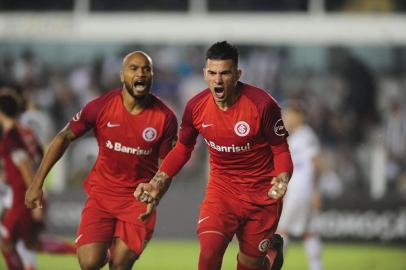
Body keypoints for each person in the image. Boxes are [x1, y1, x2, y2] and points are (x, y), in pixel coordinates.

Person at [135, 41, 294, 270]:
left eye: (225, 73)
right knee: (209, 252)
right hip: (222, 192)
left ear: (237, 74)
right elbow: (182, 149)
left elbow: (280, 150)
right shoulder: (195, 107)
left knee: (249, 265)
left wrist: (282, 178)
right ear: (204, 73)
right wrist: (156, 182)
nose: (217, 80)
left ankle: (269, 256)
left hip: (262, 196)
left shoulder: (262, 105)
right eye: (212, 73)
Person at [25, 51, 178, 270]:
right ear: (121, 75)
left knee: (120, 265)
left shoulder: (165, 118)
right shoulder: (101, 107)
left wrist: (156, 194)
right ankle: (103, 252)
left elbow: (167, 166)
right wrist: (36, 183)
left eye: (146, 69)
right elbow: (64, 136)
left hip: (137, 199)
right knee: (89, 263)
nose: (141, 73)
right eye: (133, 68)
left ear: (152, 75)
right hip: (102, 195)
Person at [0, 94, 76, 270]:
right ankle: (76, 250)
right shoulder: (27, 134)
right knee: (31, 244)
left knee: (7, 242)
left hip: (23, 197)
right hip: (30, 194)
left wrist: (35, 201)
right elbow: (39, 156)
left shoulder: (11, 137)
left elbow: (24, 165)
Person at [276, 101, 323, 270]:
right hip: (301, 191)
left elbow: (317, 164)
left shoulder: (306, 136)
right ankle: (316, 267)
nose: (286, 117)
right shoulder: (294, 136)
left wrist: (315, 191)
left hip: (300, 191)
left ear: (299, 117)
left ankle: (273, 266)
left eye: (289, 115)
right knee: (309, 232)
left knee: (281, 231)